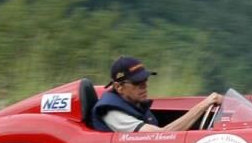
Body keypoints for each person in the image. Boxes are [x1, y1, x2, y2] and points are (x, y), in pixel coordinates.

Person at [91, 56, 223, 133]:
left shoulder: (133, 102)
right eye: (137, 82)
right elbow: (162, 136)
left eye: (145, 80)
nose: (144, 86)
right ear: (119, 87)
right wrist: (205, 104)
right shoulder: (114, 115)